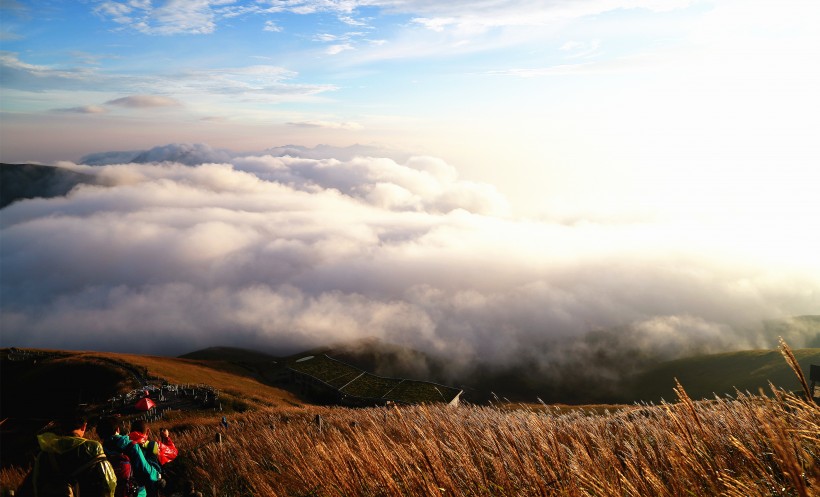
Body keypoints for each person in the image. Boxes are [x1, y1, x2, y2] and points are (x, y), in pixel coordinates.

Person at [16, 411, 117, 497]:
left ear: (61, 427)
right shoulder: (93, 448)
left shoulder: (46, 452)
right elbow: (108, 483)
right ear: (84, 426)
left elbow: (35, 485)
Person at [97, 417, 160, 497]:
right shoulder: (130, 446)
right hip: (135, 492)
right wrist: (157, 475)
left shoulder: (100, 450)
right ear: (118, 429)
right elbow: (145, 469)